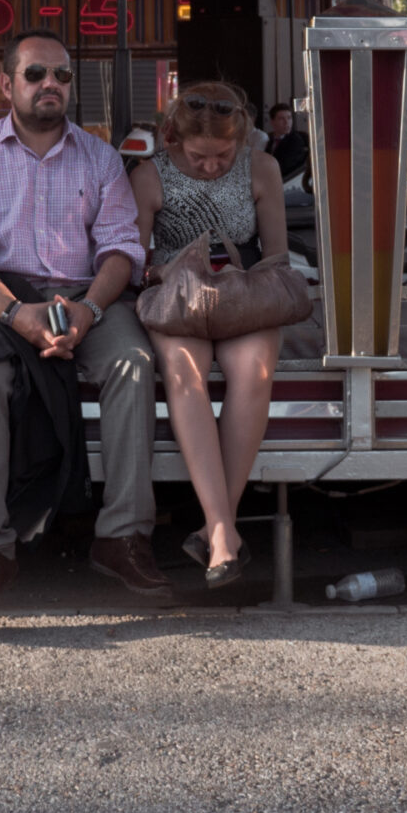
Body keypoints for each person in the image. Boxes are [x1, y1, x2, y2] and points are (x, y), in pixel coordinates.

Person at [0, 29, 165, 619]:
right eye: (36, 75)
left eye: (60, 75)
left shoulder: (101, 157)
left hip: (84, 296)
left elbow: (121, 249)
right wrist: (15, 312)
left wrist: (89, 310)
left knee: (133, 363)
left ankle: (122, 536)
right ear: (8, 84)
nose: (50, 85)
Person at [130, 82, 290, 589]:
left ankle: (219, 530)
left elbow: (276, 254)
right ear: (175, 140)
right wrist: (169, 271)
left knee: (254, 371)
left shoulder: (262, 167)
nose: (212, 166)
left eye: (224, 154)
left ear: (242, 140)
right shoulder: (149, 174)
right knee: (184, 373)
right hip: (177, 294)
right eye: (200, 156)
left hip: (244, 291)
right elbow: (134, 257)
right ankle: (223, 531)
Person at [261, 100, 309, 186]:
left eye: (289, 118)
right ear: (272, 122)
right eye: (281, 119)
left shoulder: (295, 141)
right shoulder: (270, 140)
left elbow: (282, 167)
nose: (287, 122)